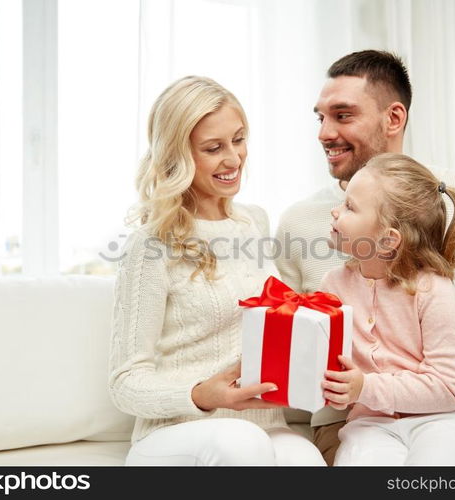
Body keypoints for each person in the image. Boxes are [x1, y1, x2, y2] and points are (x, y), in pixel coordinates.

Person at [275, 50, 455, 465]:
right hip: (351, 416)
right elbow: (286, 332)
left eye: (342, 116)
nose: (325, 133)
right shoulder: (300, 220)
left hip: (444, 406)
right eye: (320, 118)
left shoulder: (452, 195)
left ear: (393, 118)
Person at [109, 76, 325, 466]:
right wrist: (199, 395)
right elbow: (125, 383)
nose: (234, 159)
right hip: (174, 433)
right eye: (213, 148)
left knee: (304, 457)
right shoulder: (152, 245)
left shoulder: (254, 223)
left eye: (239, 140)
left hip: (261, 424)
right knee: (241, 443)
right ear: (178, 156)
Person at [320, 153, 455, 465]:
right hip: (370, 423)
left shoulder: (433, 289)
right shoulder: (332, 286)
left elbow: (449, 388)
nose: (335, 211)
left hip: (444, 419)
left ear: (387, 241)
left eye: (350, 207)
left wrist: (365, 386)